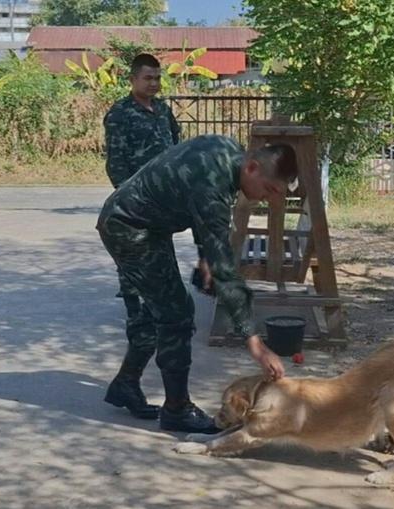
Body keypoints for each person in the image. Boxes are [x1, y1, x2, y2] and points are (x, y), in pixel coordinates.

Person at [98, 134, 296, 433]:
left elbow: (195, 203)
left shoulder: (227, 151)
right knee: (176, 315)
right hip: (128, 228)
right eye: (269, 190)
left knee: (156, 312)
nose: (267, 199)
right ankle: (177, 410)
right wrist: (254, 342)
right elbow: (225, 269)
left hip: (145, 224)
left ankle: (126, 384)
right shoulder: (214, 184)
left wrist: (205, 254)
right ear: (253, 168)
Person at [102, 53, 180, 420]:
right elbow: (116, 167)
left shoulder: (163, 112)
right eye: (148, 78)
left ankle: (126, 382)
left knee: (157, 308)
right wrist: (139, 205)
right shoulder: (120, 115)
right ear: (132, 79)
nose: (154, 84)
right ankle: (127, 384)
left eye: (157, 78)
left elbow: (177, 156)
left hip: (160, 221)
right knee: (143, 310)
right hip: (132, 221)